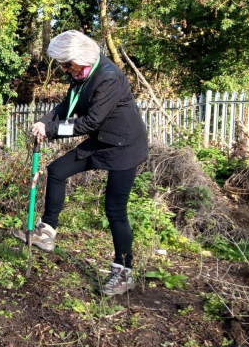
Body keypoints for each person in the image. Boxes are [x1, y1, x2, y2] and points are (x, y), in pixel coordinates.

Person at [13, 30, 149, 296]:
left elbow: (89, 123)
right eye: (62, 65)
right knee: (57, 170)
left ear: (81, 58)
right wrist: (45, 119)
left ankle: (124, 272)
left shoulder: (108, 77)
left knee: (115, 210)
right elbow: (67, 104)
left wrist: (51, 129)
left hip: (124, 146)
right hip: (102, 139)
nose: (64, 69)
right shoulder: (79, 73)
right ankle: (47, 231)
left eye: (67, 64)